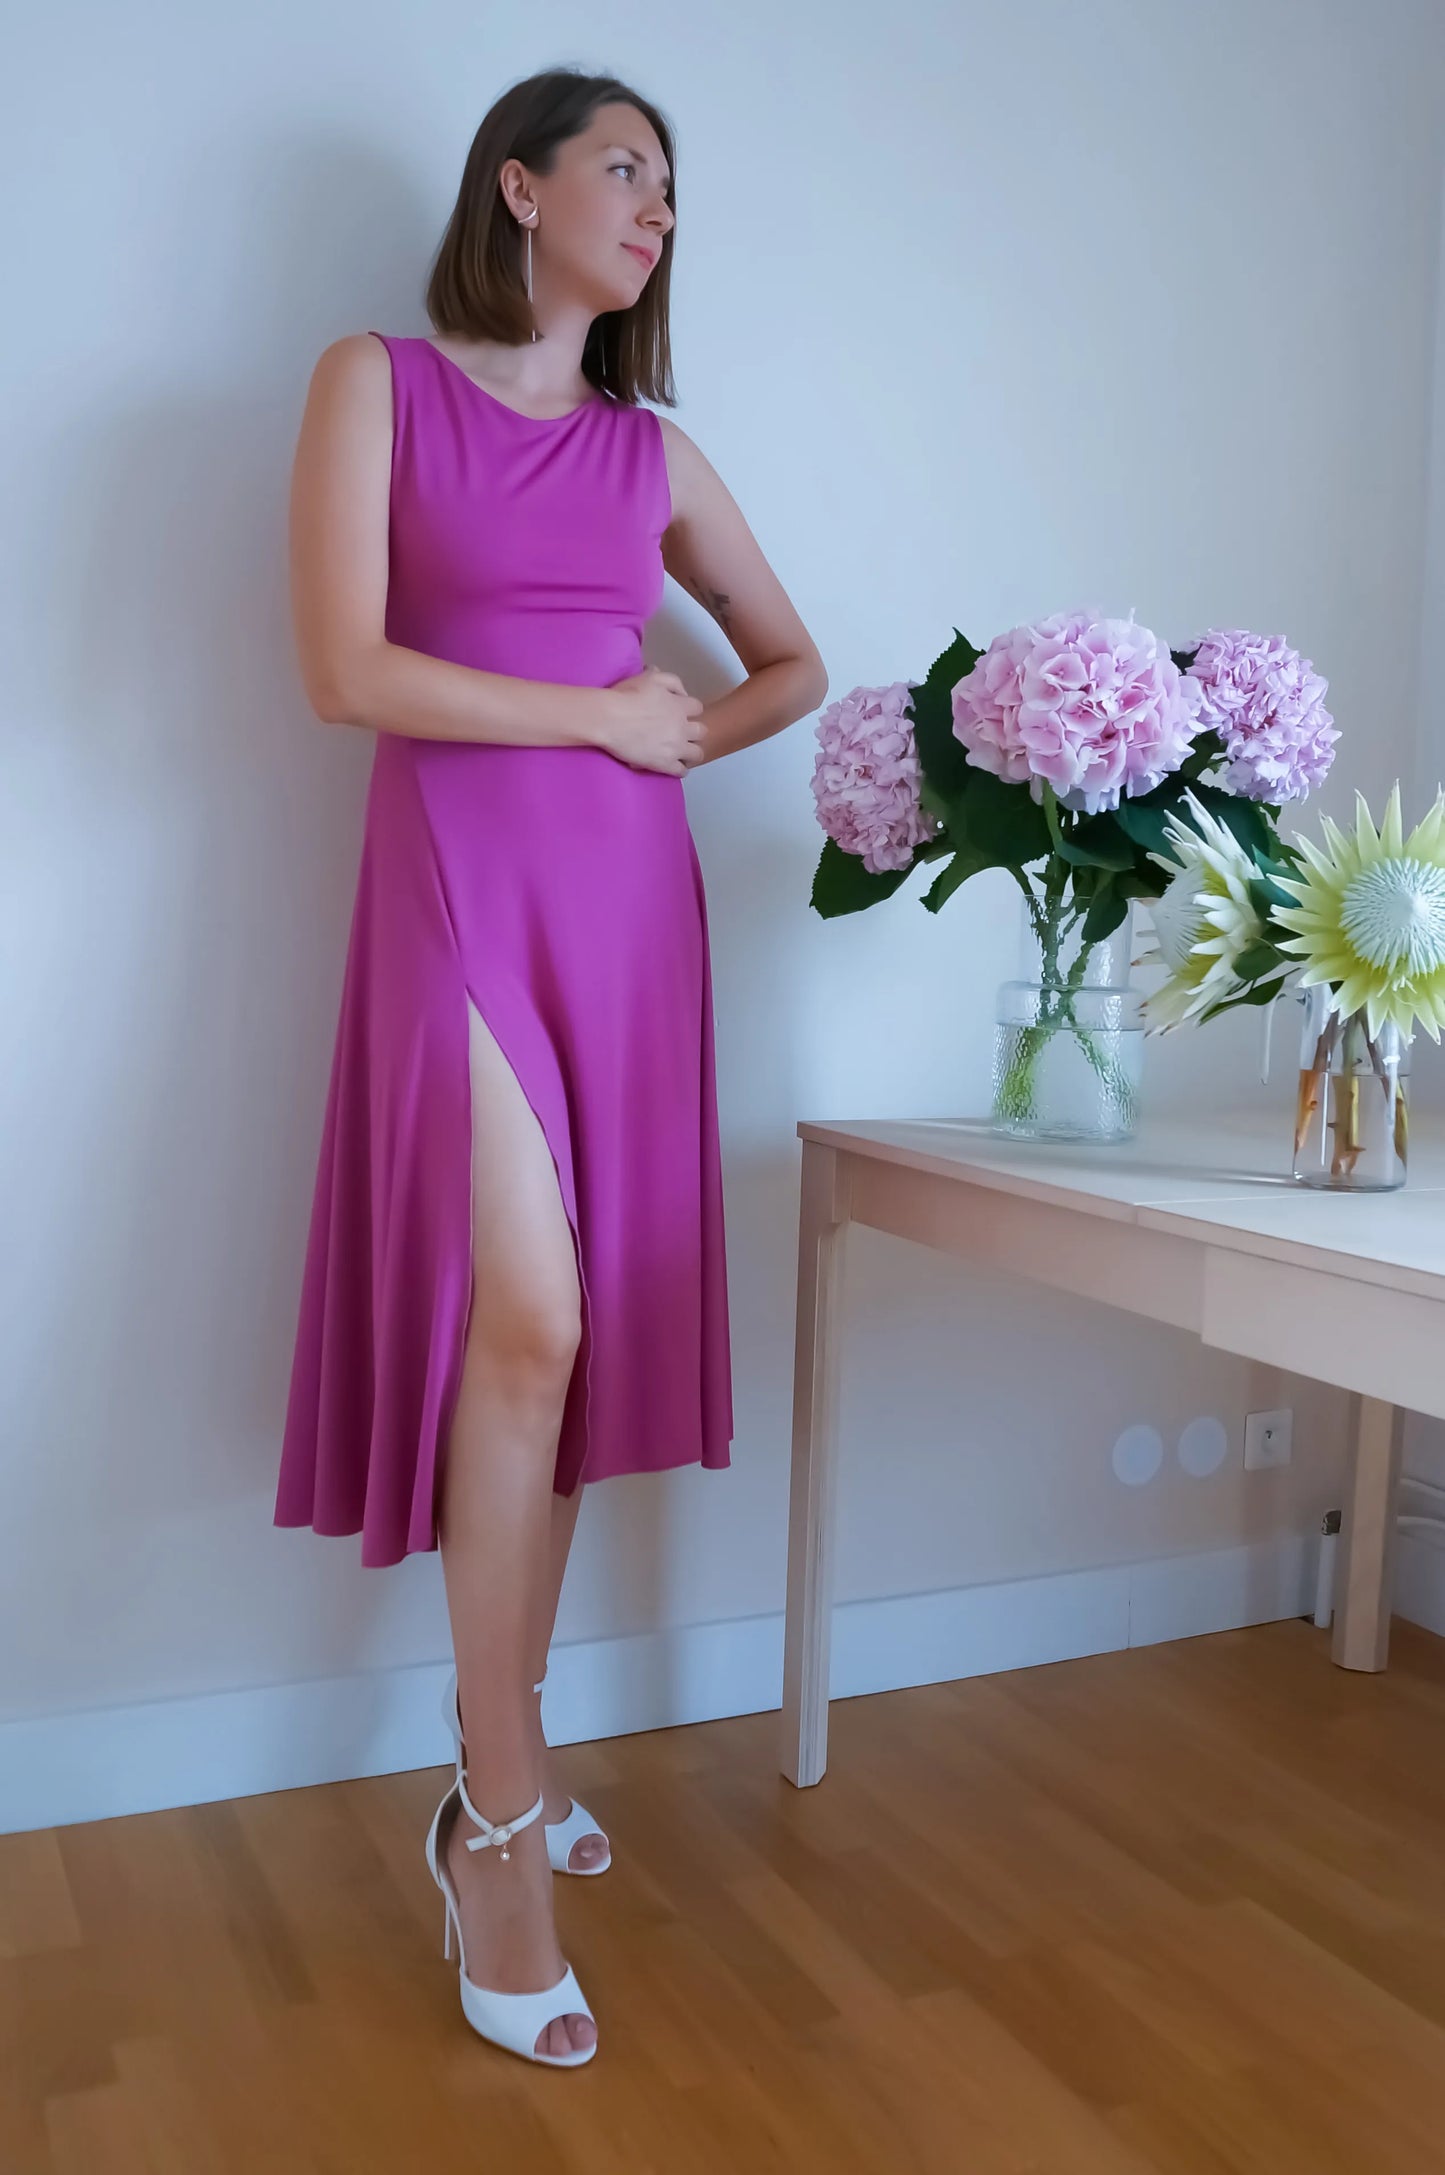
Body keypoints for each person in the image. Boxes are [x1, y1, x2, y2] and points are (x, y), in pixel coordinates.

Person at [273, 65, 828, 2066]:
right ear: (517, 185)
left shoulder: (648, 448)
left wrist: (678, 735)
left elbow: (793, 663)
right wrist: (596, 718)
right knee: (521, 1313)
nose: (654, 205)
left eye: (673, 183)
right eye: (622, 168)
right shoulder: (378, 383)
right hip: (456, 884)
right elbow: (347, 670)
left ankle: (496, 1733)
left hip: (626, 911)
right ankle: (491, 1814)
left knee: (566, 1343)